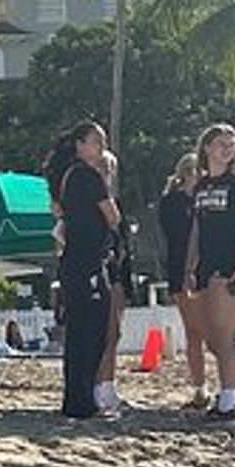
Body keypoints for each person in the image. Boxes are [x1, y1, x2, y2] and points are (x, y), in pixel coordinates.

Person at [185, 122, 235, 425]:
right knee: (215, 340)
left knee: (225, 338)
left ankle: (228, 401)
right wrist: (190, 266)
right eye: (220, 143)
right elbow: (196, 229)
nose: (227, 149)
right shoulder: (202, 186)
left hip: (230, 264)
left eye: (232, 144)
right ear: (206, 147)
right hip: (206, 265)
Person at [44, 121, 122, 419]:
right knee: (93, 331)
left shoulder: (66, 176)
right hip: (88, 259)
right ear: (80, 144)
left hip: (74, 259)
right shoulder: (88, 176)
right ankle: (83, 400)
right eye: (95, 142)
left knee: (78, 332)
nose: (101, 148)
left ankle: (75, 398)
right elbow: (112, 216)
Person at [159, 154, 211, 409]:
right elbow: (180, 236)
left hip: (204, 267)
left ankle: (206, 387)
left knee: (206, 331)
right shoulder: (173, 202)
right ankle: (200, 386)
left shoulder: (202, 201)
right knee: (195, 331)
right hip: (182, 267)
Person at [93, 149, 131, 413]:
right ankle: (99, 386)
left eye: (109, 170)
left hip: (119, 270)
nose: (105, 174)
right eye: (101, 168)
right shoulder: (90, 202)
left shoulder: (115, 202)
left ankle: (107, 384)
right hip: (102, 268)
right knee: (103, 332)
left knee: (114, 332)